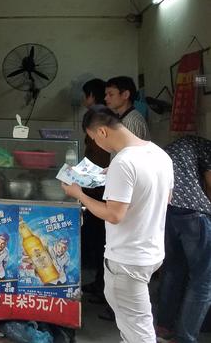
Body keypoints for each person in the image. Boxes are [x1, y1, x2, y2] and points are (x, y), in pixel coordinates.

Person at [62, 105, 173, 343]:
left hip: (127, 259)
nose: (97, 144)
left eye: (94, 139)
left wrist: (78, 194)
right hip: (151, 253)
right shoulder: (158, 154)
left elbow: (113, 214)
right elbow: (166, 198)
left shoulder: (123, 162)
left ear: (102, 132)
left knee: (139, 331)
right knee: (133, 325)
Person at [156, 135, 211, 343]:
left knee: (173, 270)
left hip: (168, 209)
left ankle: (163, 326)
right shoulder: (207, 149)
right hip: (193, 214)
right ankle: (184, 338)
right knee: (203, 280)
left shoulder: (181, 145)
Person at [80, 79, 110, 299]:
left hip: (99, 189)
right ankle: (100, 283)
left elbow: (98, 158)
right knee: (98, 239)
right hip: (94, 187)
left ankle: (103, 287)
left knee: (101, 240)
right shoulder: (102, 118)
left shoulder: (100, 119)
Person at [105, 76, 150, 140]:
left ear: (125, 95)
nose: (105, 98)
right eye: (106, 95)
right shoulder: (124, 117)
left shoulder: (131, 121)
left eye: (111, 94)